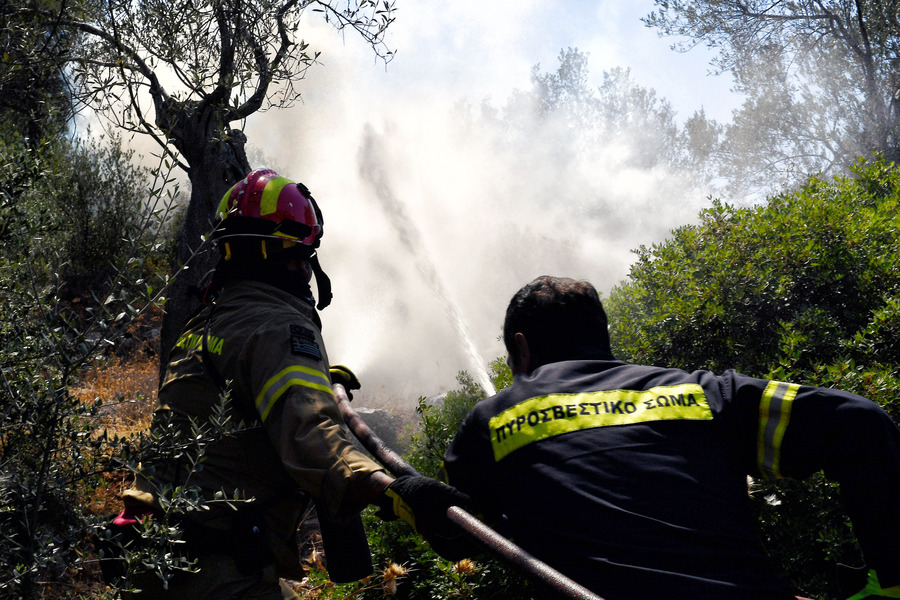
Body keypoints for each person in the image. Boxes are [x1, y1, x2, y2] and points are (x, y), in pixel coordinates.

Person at [107, 169, 466, 599]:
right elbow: (311, 436)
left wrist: (307, 380)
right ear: (288, 256)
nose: (304, 270)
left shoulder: (205, 324)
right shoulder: (278, 327)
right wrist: (396, 494)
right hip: (221, 574)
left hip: (149, 562)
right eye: (303, 256)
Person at [441, 275, 900, 600]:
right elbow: (859, 420)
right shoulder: (705, 392)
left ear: (521, 348)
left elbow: (462, 531)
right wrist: (887, 580)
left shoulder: (493, 420)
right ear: (601, 337)